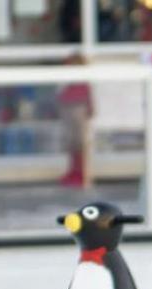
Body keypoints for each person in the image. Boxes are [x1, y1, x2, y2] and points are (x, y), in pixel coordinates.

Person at [57, 54, 94, 188]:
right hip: (70, 111)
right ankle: (73, 172)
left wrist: (90, 109)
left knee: (80, 144)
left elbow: (88, 98)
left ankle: (81, 174)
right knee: (71, 144)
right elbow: (62, 96)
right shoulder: (68, 83)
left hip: (79, 112)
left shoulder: (82, 82)